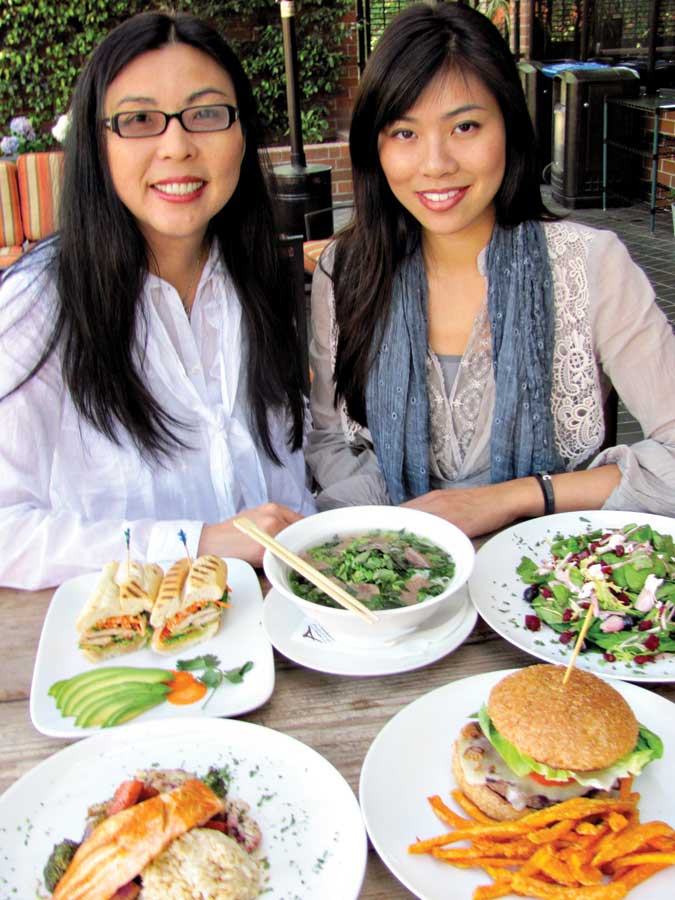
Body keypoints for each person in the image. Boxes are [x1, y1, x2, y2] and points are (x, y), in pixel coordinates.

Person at [307, 2, 675, 537]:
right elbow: (331, 438)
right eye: (405, 133)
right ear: (375, 147)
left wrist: (517, 498)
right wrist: (394, 543)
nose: (436, 163)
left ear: (509, 125)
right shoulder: (349, 269)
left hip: (546, 582)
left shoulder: (589, 266)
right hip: (398, 587)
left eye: (465, 126)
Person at [0, 11, 315, 589]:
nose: (177, 146)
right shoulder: (41, 304)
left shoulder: (257, 275)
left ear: (242, 134)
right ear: (98, 145)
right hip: (134, 646)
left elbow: (286, 471)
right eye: (140, 119)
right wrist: (195, 542)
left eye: (206, 115)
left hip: (281, 627)